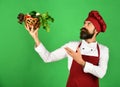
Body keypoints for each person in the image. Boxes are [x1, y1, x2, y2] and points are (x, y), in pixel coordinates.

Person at [25, 10, 109, 87]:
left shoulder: (103, 50)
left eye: (88, 24)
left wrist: (82, 62)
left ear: (96, 30)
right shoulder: (72, 46)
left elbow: (101, 73)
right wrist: (35, 38)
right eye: (84, 23)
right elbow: (48, 58)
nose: (84, 26)